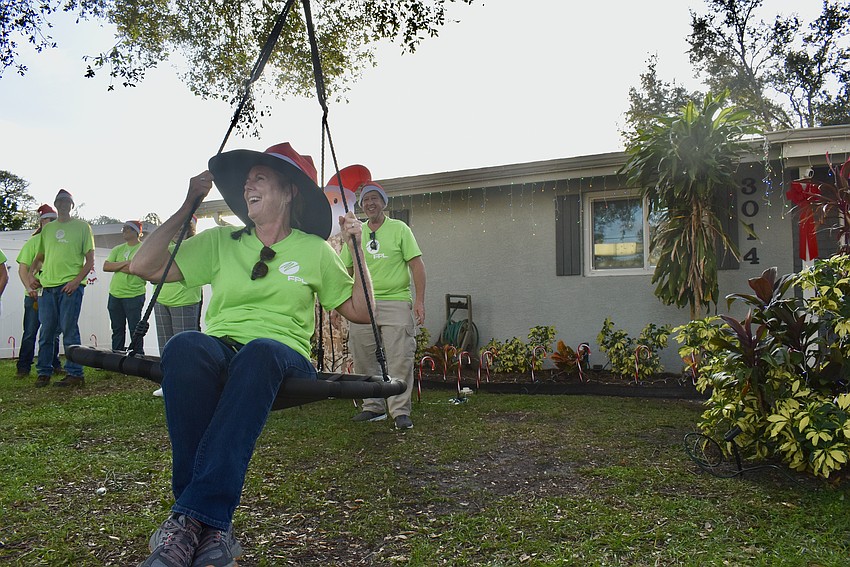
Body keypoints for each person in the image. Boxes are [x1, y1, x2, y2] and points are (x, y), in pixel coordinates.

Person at [130, 141, 375, 567]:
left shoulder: (313, 249)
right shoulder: (222, 242)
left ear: (289, 190)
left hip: (283, 354)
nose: (248, 185)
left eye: (260, 177)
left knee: (260, 352)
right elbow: (144, 265)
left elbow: (360, 311)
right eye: (246, 181)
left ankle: (187, 520)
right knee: (185, 345)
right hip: (222, 347)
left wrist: (356, 247)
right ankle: (208, 528)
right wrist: (189, 204)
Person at [340, 169, 426, 430]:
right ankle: (373, 407)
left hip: (396, 302)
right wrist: (339, 305)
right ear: (361, 205)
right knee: (364, 356)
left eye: (375, 198)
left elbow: (417, 265)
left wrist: (419, 301)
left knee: (400, 356)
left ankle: (399, 411)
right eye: (366, 200)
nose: (370, 203)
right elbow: (345, 270)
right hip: (363, 304)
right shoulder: (356, 231)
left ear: (383, 202)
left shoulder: (400, 229)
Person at [33, 189, 95, 388]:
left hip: (70, 287)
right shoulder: (48, 229)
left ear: (72, 205)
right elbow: (40, 257)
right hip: (48, 287)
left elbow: (90, 260)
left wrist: (76, 281)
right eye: (59, 202)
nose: (63, 205)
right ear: (55, 204)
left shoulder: (82, 227)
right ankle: (44, 372)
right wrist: (32, 275)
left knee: (69, 330)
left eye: (66, 202)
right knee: (47, 331)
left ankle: (75, 373)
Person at [151, 215, 203, 398]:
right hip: (161, 299)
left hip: (185, 300)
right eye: (176, 228)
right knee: (165, 345)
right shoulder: (164, 248)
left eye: (183, 227)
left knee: (185, 347)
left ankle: (189, 383)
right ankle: (168, 383)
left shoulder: (197, 246)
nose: (178, 231)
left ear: (190, 228)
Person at [15, 204, 61, 377]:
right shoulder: (33, 242)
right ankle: (23, 367)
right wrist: (29, 287)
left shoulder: (59, 242)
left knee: (53, 332)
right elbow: (23, 269)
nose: (55, 223)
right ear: (42, 222)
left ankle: (54, 364)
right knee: (30, 332)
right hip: (34, 296)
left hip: (52, 293)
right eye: (51, 220)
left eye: (56, 220)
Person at [104, 220, 147, 354]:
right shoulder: (118, 249)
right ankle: (117, 356)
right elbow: (106, 266)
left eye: (128, 229)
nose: (124, 231)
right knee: (117, 328)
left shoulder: (143, 249)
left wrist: (117, 266)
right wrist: (126, 263)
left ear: (137, 232)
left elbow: (137, 269)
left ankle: (138, 355)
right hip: (115, 294)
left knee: (135, 329)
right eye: (124, 228)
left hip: (134, 294)